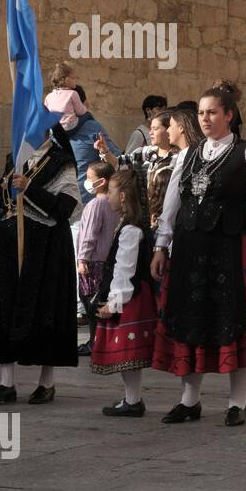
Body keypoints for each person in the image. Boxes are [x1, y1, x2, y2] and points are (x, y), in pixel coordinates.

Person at [151, 80, 246, 427]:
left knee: (235, 322)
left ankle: (237, 403)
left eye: (212, 113)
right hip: (191, 248)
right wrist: (162, 245)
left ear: (229, 115)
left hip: (232, 248)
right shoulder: (189, 155)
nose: (205, 119)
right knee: (189, 320)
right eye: (202, 113)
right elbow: (172, 204)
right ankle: (189, 400)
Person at [0, 124, 79, 404]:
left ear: (44, 131)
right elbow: (3, 190)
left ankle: (47, 383)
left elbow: (64, 208)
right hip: (9, 248)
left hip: (46, 250)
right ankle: (6, 382)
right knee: (5, 309)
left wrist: (30, 187)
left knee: (46, 311)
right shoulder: (15, 158)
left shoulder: (61, 161)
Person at [93, 169, 158, 417]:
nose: (106, 195)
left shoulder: (131, 229)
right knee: (128, 355)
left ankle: (133, 400)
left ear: (122, 196)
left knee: (128, 353)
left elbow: (125, 268)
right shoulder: (128, 225)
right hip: (131, 296)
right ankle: (132, 398)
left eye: (110, 190)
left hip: (131, 298)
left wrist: (115, 302)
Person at [96, 110, 177, 228]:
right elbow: (118, 163)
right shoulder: (145, 152)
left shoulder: (178, 158)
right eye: (151, 128)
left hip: (167, 220)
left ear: (168, 130)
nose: (151, 132)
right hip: (141, 219)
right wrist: (104, 151)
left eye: (156, 129)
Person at [76, 160, 118, 356]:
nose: (86, 181)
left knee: (90, 302)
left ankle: (95, 342)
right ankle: (101, 341)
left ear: (101, 182)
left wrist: (82, 258)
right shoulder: (113, 203)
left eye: (89, 178)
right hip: (106, 260)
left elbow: (89, 234)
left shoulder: (96, 204)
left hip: (92, 262)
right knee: (100, 302)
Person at [44, 61, 87, 134]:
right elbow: (81, 112)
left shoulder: (48, 96)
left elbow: (46, 114)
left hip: (55, 129)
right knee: (88, 115)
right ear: (67, 80)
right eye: (74, 78)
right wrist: (85, 108)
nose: (76, 80)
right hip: (69, 128)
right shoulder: (73, 93)